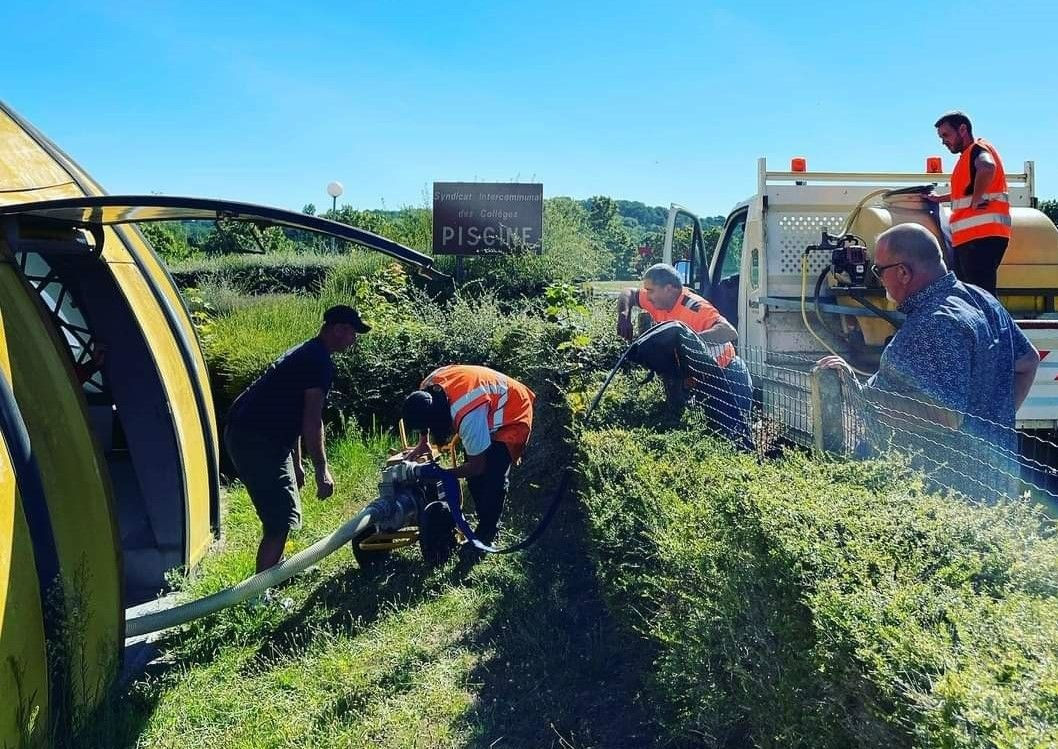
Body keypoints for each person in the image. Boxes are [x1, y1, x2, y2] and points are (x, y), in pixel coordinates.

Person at [816, 224, 1039, 495]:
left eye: (879, 271)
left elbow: (944, 414)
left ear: (903, 272)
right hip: (995, 486)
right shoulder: (980, 299)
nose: (879, 280)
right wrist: (992, 420)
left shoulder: (934, 323)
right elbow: (1028, 362)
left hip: (947, 494)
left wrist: (860, 397)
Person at [225, 305, 368, 572]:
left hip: (249, 431)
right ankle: (259, 595)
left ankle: (275, 573)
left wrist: (298, 463)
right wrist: (322, 470)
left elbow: (291, 411)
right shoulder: (318, 363)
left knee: (281, 509)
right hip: (256, 439)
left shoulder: (308, 351)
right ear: (338, 330)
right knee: (280, 519)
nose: (354, 340)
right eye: (353, 333)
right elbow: (312, 420)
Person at [616, 263, 752, 443]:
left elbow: (728, 331)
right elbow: (629, 293)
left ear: (669, 289)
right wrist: (624, 315)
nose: (647, 296)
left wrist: (687, 341)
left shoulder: (695, 308)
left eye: (651, 290)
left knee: (733, 437)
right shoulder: (659, 301)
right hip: (698, 379)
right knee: (708, 437)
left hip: (727, 377)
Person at [400, 365, 535, 546]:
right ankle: (484, 518)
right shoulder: (428, 386)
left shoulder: (467, 414)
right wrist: (423, 442)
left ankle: (487, 534)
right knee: (474, 476)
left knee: (490, 476)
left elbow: (478, 467)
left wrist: (443, 474)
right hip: (486, 401)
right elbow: (425, 411)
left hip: (513, 412)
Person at [925, 111, 1011, 295]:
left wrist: (978, 197)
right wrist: (940, 199)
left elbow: (987, 167)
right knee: (974, 294)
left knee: (981, 295)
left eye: (946, 135)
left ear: (963, 129)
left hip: (980, 237)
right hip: (975, 238)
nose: (943, 141)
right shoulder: (967, 157)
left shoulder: (977, 149)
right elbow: (965, 194)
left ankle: (991, 324)